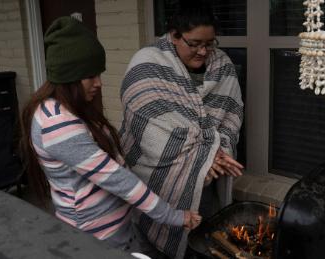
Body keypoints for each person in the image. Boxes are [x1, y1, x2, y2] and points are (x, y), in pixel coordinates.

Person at [20, 17, 201, 252]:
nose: (99, 83)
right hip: (96, 238)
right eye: (91, 76)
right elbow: (116, 178)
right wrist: (175, 216)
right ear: (70, 77)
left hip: (116, 230)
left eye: (99, 74)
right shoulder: (58, 123)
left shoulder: (68, 108)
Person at [119, 2, 244, 258]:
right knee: (155, 248)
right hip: (157, 180)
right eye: (195, 43)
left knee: (201, 240)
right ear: (174, 35)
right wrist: (208, 154)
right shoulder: (148, 62)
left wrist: (215, 152)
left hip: (205, 180)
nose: (203, 52)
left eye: (210, 43)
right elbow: (148, 119)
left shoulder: (222, 65)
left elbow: (232, 113)